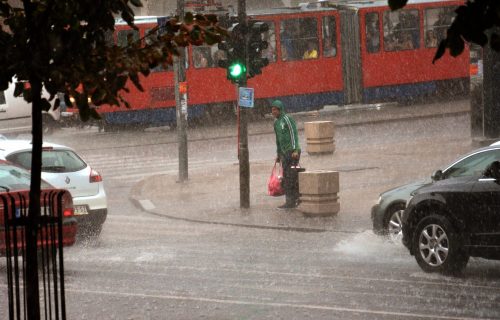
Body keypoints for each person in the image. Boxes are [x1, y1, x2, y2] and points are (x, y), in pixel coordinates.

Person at [271, 100, 301, 209]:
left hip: (292, 153)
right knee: (287, 178)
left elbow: (294, 134)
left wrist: (296, 150)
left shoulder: (287, 119)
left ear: (280, 109)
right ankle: (292, 200)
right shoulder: (276, 123)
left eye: (275, 109)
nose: (273, 112)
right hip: (284, 154)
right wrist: (279, 154)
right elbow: (278, 141)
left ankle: (292, 201)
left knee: (291, 177)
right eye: (272, 109)